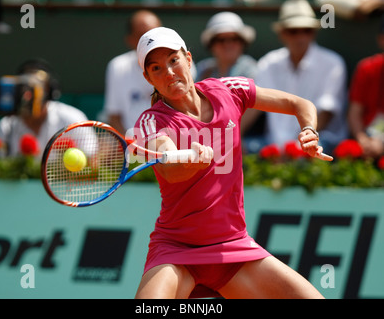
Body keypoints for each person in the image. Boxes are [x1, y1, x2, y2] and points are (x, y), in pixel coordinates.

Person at [133, 26, 332, 299]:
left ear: (188, 59)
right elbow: (170, 169)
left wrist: (309, 130)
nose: (168, 72)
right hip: (177, 252)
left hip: (232, 247)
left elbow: (298, 103)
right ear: (147, 77)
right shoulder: (151, 121)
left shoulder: (228, 89)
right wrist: (192, 161)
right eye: (156, 68)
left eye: (173, 60)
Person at [255, 0, 348, 154]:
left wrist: (303, 144)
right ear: (282, 33)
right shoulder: (268, 63)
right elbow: (253, 103)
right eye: (293, 31)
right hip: (274, 143)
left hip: (321, 139)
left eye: (307, 30)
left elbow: (327, 112)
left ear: (314, 33)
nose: (300, 37)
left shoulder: (332, 63)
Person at [195, 11, 265, 153]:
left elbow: (255, 107)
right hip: (208, 140)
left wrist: (232, 137)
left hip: (247, 138)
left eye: (234, 39)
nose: (228, 44)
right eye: (221, 40)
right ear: (212, 44)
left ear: (242, 42)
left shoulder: (250, 68)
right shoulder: (204, 69)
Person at [0, 59, 88, 158]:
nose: (27, 96)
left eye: (34, 89)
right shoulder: (5, 126)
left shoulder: (73, 120)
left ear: (50, 91)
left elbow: (92, 164)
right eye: (23, 89)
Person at [102, 10, 162, 136]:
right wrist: (132, 146)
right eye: (142, 36)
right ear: (130, 40)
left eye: (155, 34)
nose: (150, 41)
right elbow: (114, 117)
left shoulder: (181, 65)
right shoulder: (117, 66)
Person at [348, 16, 384, 159]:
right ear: (381, 40)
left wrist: (381, 142)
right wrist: (362, 140)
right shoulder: (367, 67)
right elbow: (354, 112)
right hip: (367, 141)